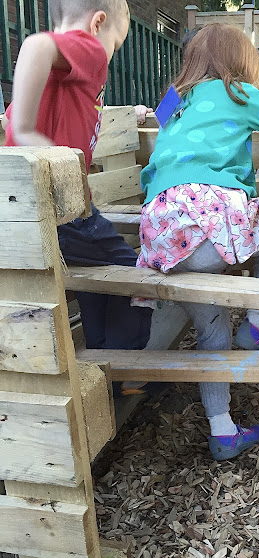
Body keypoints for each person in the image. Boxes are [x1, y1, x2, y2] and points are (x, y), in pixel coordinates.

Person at [137, 23, 259, 461]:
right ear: (239, 61)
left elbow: (155, 122)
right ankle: (258, 325)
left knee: (211, 325)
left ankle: (223, 431)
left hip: (163, 236)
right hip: (205, 226)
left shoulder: (176, 98)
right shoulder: (236, 91)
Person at [4, 0, 157, 397]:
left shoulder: (58, 76)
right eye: (117, 44)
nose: (110, 56)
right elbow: (37, 45)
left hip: (36, 212)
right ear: (98, 23)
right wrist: (24, 131)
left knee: (93, 273)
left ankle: (103, 362)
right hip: (66, 210)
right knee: (134, 274)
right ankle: (125, 368)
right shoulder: (87, 48)